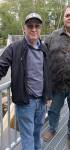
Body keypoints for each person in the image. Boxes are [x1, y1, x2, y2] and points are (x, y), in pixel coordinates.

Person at [0, 12, 52, 150]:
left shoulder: (44, 49)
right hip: (26, 102)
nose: (33, 29)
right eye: (30, 26)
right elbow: (0, 69)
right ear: (24, 28)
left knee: (37, 132)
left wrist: (49, 95)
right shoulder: (15, 48)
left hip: (42, 100)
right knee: (27, 137)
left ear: (41, 29)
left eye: (37, 26)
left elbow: (47, 73)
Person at [43, 5, 70, 148]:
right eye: (67, 15)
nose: (69, 17)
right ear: (64, 18)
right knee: (53, 110)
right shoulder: (53, 36)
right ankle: (52, 129)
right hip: (57, 84)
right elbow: (39, 52)